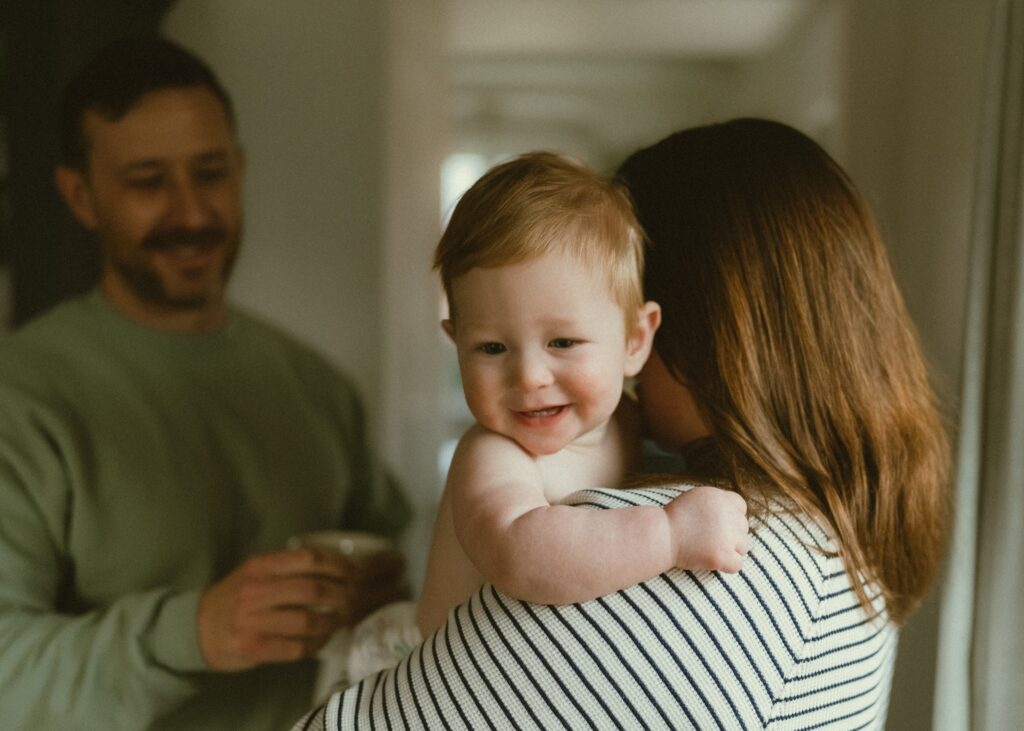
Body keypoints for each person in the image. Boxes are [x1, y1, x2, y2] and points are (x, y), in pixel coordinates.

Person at [292, 119, 949, 730]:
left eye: (572, 336)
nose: (534, 376)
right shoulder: (840, 535)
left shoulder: (698, 566)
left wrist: (666, 529)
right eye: (493, 346)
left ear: (661, 328)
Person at [0, 36, 411, 730]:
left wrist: (384, 591)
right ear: (80, 196)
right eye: (148, 182)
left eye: (211, 172)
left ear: (241, 170)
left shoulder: (318, 388)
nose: (191, 213)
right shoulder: (22, 396)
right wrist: (192, 631)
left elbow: (398, 578)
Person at [417, 151, 749, 635]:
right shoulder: (494, 455)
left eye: (563, 342)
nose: (529, 376)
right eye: (491, 347)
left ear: (635, 341)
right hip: (430, 671)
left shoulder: (630, 421)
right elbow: (521, 552)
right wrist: (670, 533)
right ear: (456, 343)